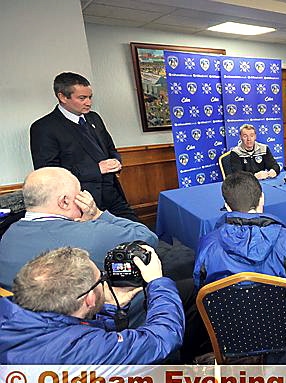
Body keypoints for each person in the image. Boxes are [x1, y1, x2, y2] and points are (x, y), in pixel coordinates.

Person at [0, 246, 184, 364]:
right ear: (89, 299)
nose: (104, 281)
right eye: (101, 279)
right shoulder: (80, 350)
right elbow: (163, 338)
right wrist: (157, 282)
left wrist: (110, 310)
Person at [0, 167, 157, 290]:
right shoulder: (92, 234)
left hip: (23, 324)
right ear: (65, 202)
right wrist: (98, 215)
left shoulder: (8, 235)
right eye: (79, 195)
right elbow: (147, 238)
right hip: (92, 324)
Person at [194, 171, 286, 313]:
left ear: (227, 206)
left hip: (226, 330)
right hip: (282, 329)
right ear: (262, 199)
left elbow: (202, 293)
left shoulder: (208, 244)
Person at [30, 72, 137, 221]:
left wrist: (116, 161)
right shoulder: (44, 128)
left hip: (112, 194)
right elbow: (49, 174)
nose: (88, 102)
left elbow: (110, 148)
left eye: (90, 97)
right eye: (82, 98)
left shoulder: (94, 118)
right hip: (80, 203)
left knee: (140, 234)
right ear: (62, 97)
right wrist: (96, 169)